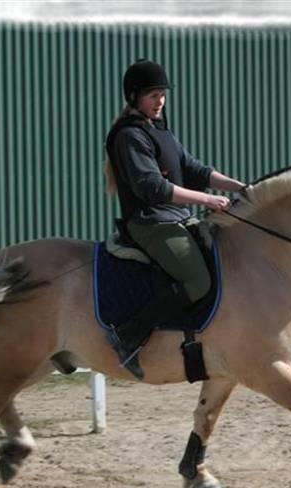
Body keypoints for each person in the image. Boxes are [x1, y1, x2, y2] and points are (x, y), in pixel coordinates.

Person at [104, 59, 245, 380]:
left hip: (177, 217)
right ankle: (128, 335)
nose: (160, 101)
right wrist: (208, 199)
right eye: (153, 95)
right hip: (150, 222)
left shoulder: (159, 130)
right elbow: (152, 187)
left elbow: (194, 169)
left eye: (162, 95)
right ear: (133, 97)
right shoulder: (129, 136)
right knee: (197, 281)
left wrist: (241, 187)